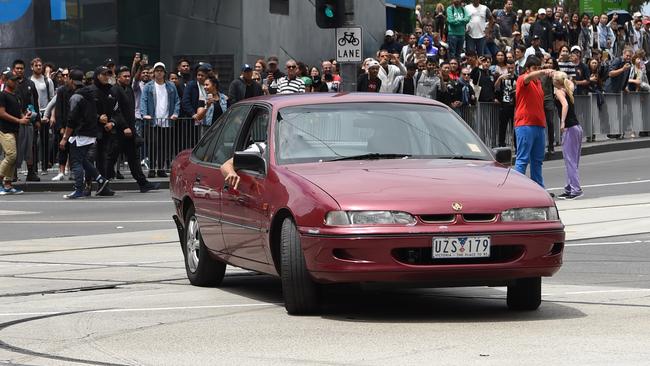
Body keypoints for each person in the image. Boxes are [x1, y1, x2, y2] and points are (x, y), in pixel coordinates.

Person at [59, 69, 110, 199]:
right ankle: (100, 180)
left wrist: (65, 138)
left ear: (71, 80)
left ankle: (78, 189)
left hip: (80, 133)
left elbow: (72, 119)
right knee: (84, 161)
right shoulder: (89, 93)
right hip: (91, 132)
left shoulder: (76, 97)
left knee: (76, 161)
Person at [109, 66, 159, 193]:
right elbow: (116, 111)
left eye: (128, 76)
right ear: (118, 77)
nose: (127, 78)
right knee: (111, 158)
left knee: (134, 158)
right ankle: (103, 181)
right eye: (124, 76)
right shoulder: (115, 90)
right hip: (119, 131)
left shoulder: (129, 89)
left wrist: (131, 129)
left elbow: (130, 111)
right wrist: (125, 127)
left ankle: (143, 183)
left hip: (130, 130)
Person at [514, 55, 554, 189]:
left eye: (538, 67)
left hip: (538, 125)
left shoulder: (538, 83)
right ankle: (517, 189)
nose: (536, 70)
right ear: (527, 69)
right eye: (534, 68)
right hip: (525, 124)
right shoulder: (522, 79)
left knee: (537, 161)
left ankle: (538, 189)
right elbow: (527, 78)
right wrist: (542, 71)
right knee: (522, 160)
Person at [140, 62, 180, 178]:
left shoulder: (171, 86)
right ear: (154, 72)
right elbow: (144, 100)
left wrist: (175, 113)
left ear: (164, 72)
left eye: (161, 70)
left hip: (167, 120)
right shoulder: (149, 86)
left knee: (164, 145)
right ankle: (152, 168)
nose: (159, 72)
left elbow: (177, 101)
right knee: (153, 144)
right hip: (153, 120)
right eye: (157, 70)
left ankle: (161, 168)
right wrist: (144, 114)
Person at [553, 71, 583, 200]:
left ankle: (575, 189)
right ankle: (570, 187)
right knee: (573, 161)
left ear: (556, 82)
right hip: (577, 127)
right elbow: (570, 82)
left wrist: (562, 121)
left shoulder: (559, 91)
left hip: (570, 128)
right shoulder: (568, 88)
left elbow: (564, 105)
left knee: (570, 160)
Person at [0, 72, 30, 195]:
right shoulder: (2, 95)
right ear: (5, 80)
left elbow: (19, 112)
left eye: (16, 80)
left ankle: (8, 184)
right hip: (4, 130)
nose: (15, 82)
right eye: (12, 80)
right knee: (11, 155)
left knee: (14, 158)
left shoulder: (17, 96)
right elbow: (1, 113)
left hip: (15, 130)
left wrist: (25, 116)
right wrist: (19, 120)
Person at [495, 60, 517, 148]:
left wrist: (516, 88)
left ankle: (516, 146)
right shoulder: (502, 77)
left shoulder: (517, 78)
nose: (510, 69)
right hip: (504, 105)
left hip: (514, 106)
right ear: (506, 67)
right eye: (509, 68)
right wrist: (500, 78)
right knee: (502, 126)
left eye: (512, 67)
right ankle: (501, 144)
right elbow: (496, 87)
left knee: (515, 128)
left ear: (514, 67)